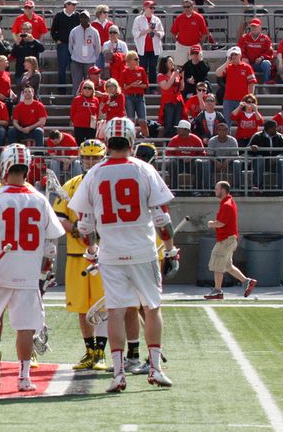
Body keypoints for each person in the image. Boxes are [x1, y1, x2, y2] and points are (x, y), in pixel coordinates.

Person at [67, 118, 178, 392]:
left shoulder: (94, 174)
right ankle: (154, 367)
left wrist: (92, 249)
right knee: (152, 308)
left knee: (115, 312)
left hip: (111, 253)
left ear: (106, 142)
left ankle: (118, 374)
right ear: (131, 140)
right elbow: (162, 219)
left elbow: (84, 225)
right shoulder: (144, 169)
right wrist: (172, 248)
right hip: (142, 249)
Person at [0, 144, 64, 393]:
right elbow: (51, 247)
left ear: (4, 166)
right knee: (25, 327)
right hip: (28, 274)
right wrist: (42, 275)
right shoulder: (40, 199)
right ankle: (23, 377)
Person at [54, 139, 111, 371]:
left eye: (95, 157)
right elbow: (59, 217)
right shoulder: (70, 185)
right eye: (87, 157)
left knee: (103, 306)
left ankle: (101, 352)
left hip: (105, 255)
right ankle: (89, 351)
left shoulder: (109, 184)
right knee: (81, 307)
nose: (90, 161)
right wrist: (76, 229)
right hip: (77, 253)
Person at [204, 181, 256, 300]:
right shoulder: (228, 202)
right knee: (227, 265)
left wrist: (211, 224)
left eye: (216, 189)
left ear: (223, 190)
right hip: (229, 239)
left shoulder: (226, 205)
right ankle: (247, 282)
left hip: (225, 240)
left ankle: (217, 291)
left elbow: (221, 223)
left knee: (216, 264)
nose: (215, 191)